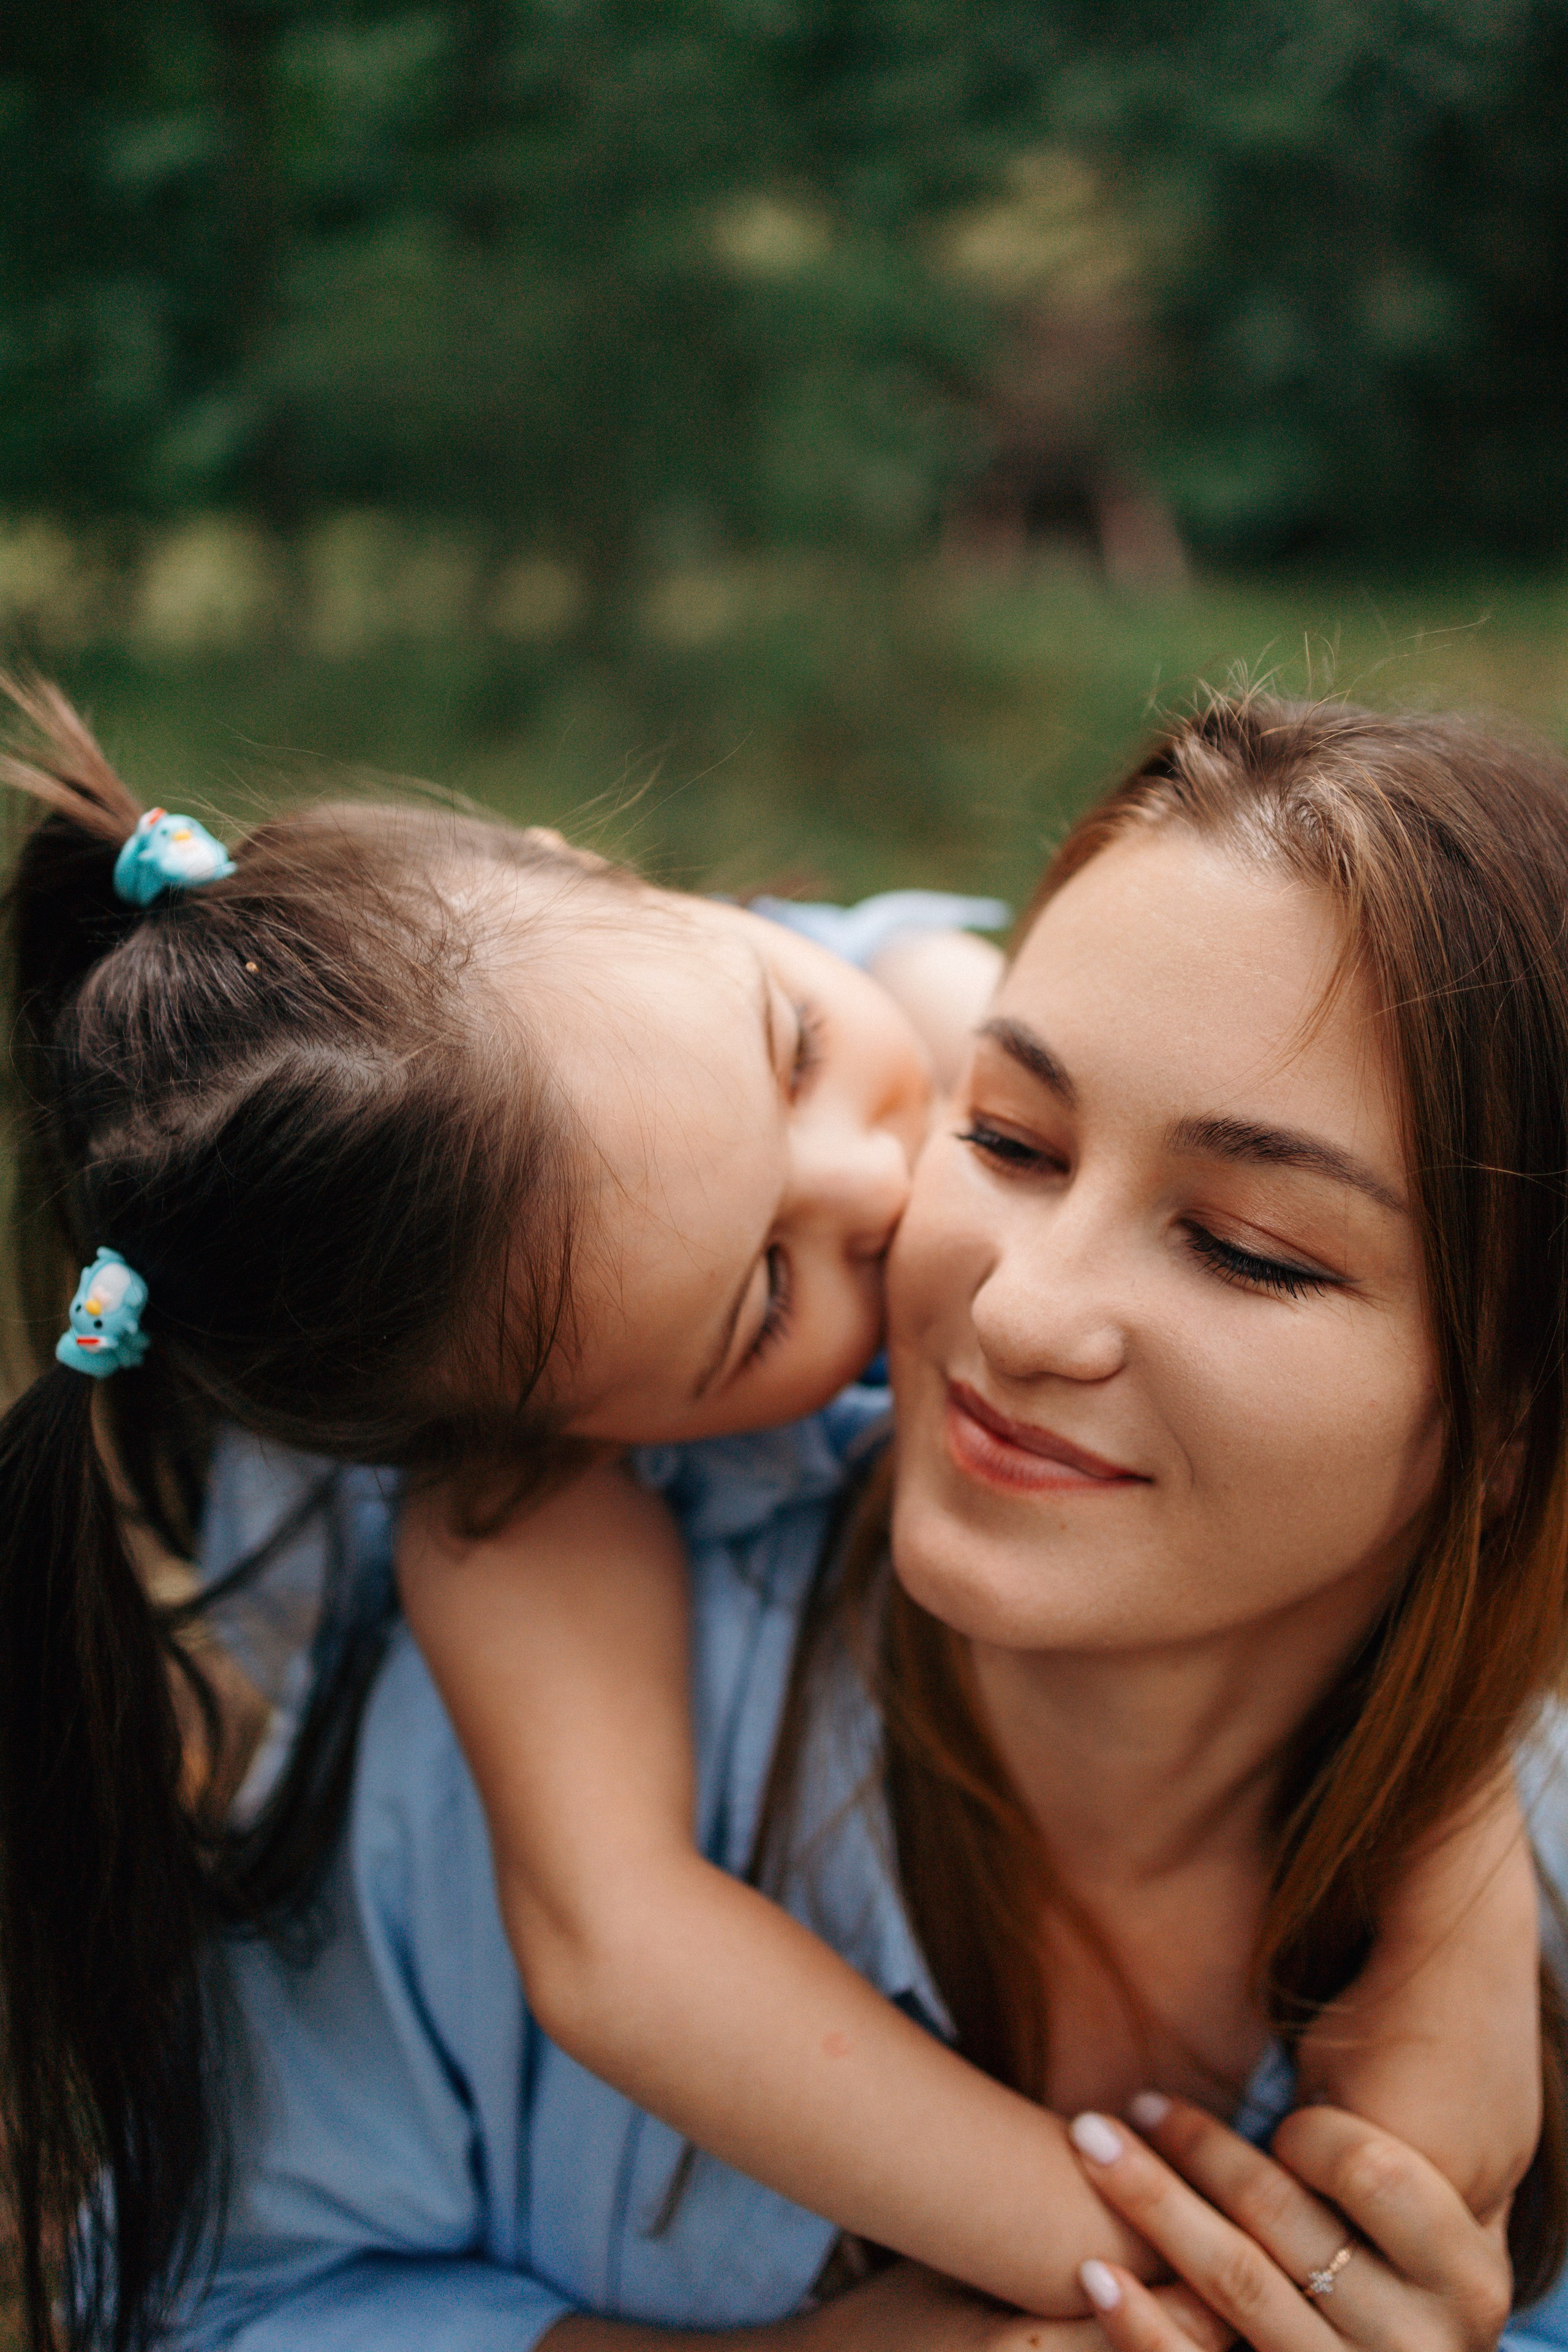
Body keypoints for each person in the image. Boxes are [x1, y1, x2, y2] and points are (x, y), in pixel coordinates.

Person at [0, 680, 1551, 2348]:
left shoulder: (887, 995)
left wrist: (1456, 1836)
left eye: (1248, 1245)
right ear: (561, 1436)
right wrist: (1179, 2300)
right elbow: (587, 1971)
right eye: (1017, 1145)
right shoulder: (511, 1571)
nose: (936, 1238)